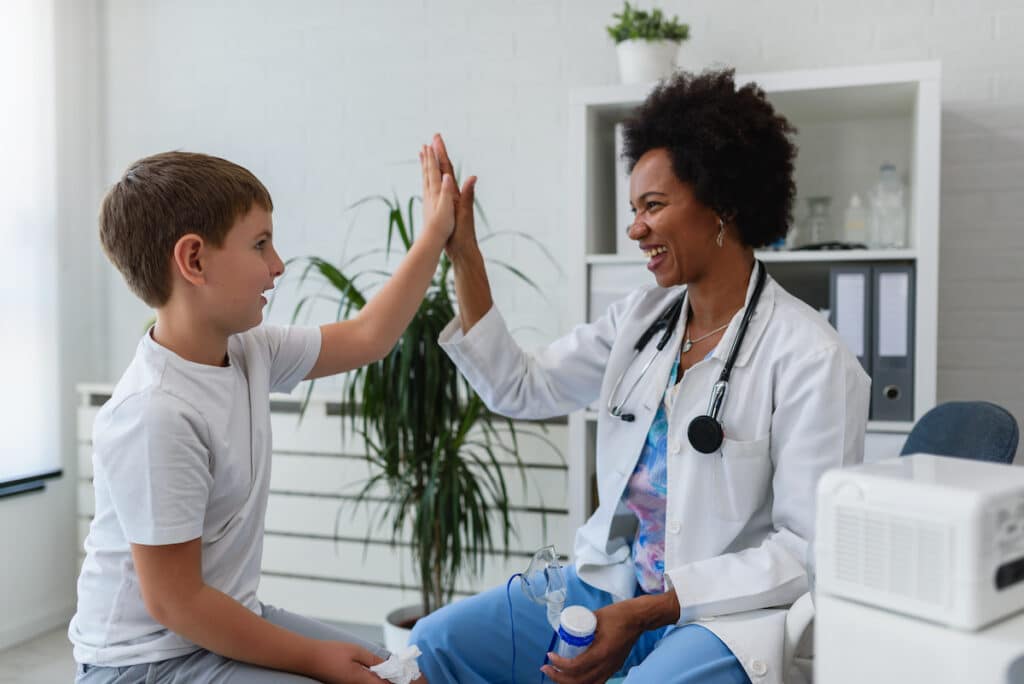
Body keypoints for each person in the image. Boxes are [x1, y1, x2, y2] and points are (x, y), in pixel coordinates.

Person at [411, 69, 871, 684]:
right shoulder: (642, 319)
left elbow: (806, 552)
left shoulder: (812, 358)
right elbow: (520, 388)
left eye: (653, 206)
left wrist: (651, 611)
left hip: (721, 618)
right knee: (432, 646)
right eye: (633, 210)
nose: (634, 229)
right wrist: (464, 252)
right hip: (611, 586)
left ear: (723, 204)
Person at [67, 147, 454, 683]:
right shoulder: (154, 414)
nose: (278, 264)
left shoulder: (251, 350)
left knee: (402, 676)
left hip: (219, 623)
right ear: (194, 260)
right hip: (144, 663)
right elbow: (176, 603)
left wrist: (435, 233)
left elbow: (369, 336)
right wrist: (316, 658)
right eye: (259, 243)